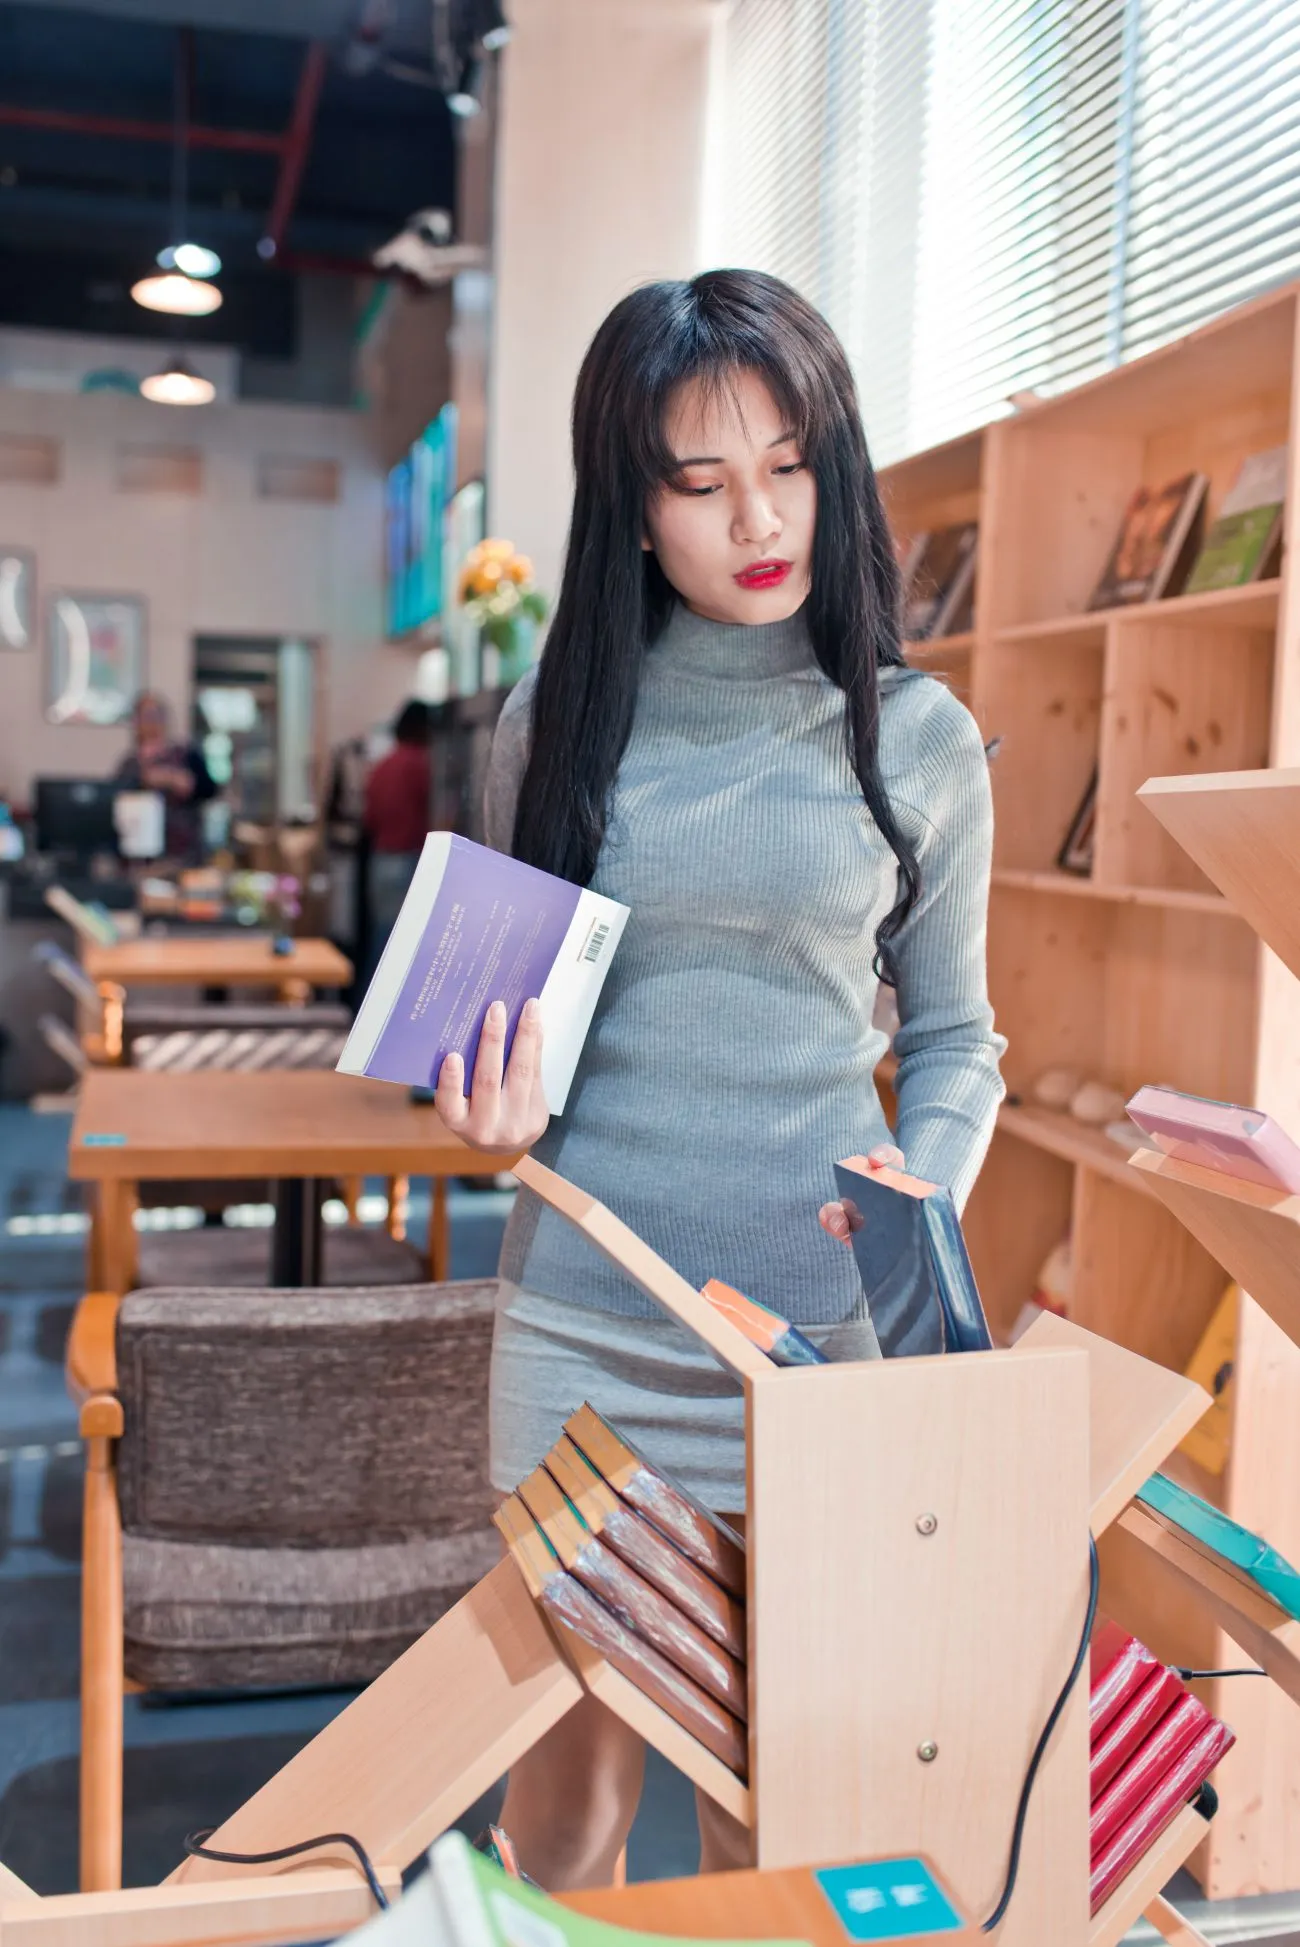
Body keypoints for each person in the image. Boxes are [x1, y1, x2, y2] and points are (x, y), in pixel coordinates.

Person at [432, 271, 1008, 1886]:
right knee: (568, 1819)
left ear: (839, 464)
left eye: (789, 462)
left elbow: (960, 1039)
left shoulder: (923, 739)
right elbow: (510, 1059)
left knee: (780, 1822)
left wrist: (929, 1181)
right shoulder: (552, 725)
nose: (759, 517)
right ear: (633, 510)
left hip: (813, 1347)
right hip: (584, 1327)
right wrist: (484, 1115)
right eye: (700, 481)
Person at [362, 699, 433, 980]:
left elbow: (370, 819)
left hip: (380, 860)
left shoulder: (382, 766)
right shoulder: (420, 764)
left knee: (381, 943)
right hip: (409, 861)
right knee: (406, 949)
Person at [113, 691, 217, 862]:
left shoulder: (186, 755)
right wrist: (143, 780)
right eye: (144, 716)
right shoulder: (129, 763)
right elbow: (116, 800)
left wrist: (178, 780)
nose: (150, 722)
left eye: (155, 715)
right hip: (139, 857)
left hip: (182, 853)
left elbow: (210, 790)